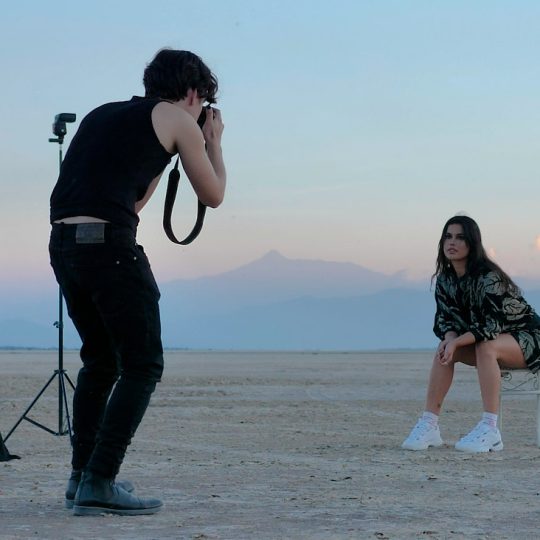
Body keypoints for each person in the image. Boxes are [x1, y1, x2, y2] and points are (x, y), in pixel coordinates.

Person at [48, 49, 226, 515]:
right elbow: (213, 195)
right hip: (110, 248)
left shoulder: (103, 114)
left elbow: (134, 202)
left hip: (64, 245)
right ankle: (100, 480)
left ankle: (81, 477)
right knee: (143, 364)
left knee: (100, 360)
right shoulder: (179, 119)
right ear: (194, 92)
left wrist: (163, 158)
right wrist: (212, 142)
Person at [402, 215, 540, 453]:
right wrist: (449, 341)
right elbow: (445, 320)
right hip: (493, 341)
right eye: (448, 237)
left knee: (486, 346)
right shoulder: (445, 279)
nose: (452, 242)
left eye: (460, 237)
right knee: (443, 351)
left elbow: (491, 327)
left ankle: (490, 429)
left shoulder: (488, 277)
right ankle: (429, 424)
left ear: (472, 243)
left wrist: (456, 342)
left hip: (529, 338)